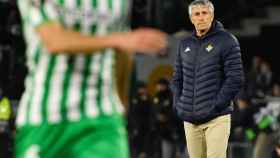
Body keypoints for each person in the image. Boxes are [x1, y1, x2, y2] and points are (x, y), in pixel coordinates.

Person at [16, 1, 167, 158]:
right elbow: (53, 40)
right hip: (45, 119)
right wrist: (116, 40)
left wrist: (121, 106)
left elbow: (123, 56)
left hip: (102, 120)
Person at [171, 0, 244, 158]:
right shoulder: (185, 44)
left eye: (205, 13)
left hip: (216, 117)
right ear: (191, 19)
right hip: (190, 120)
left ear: (212, 16)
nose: (201, 17)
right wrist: (178, 104)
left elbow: (236, 78)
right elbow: (177, 78)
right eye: (197, 14)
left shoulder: (227, 40)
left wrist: (216, 105)